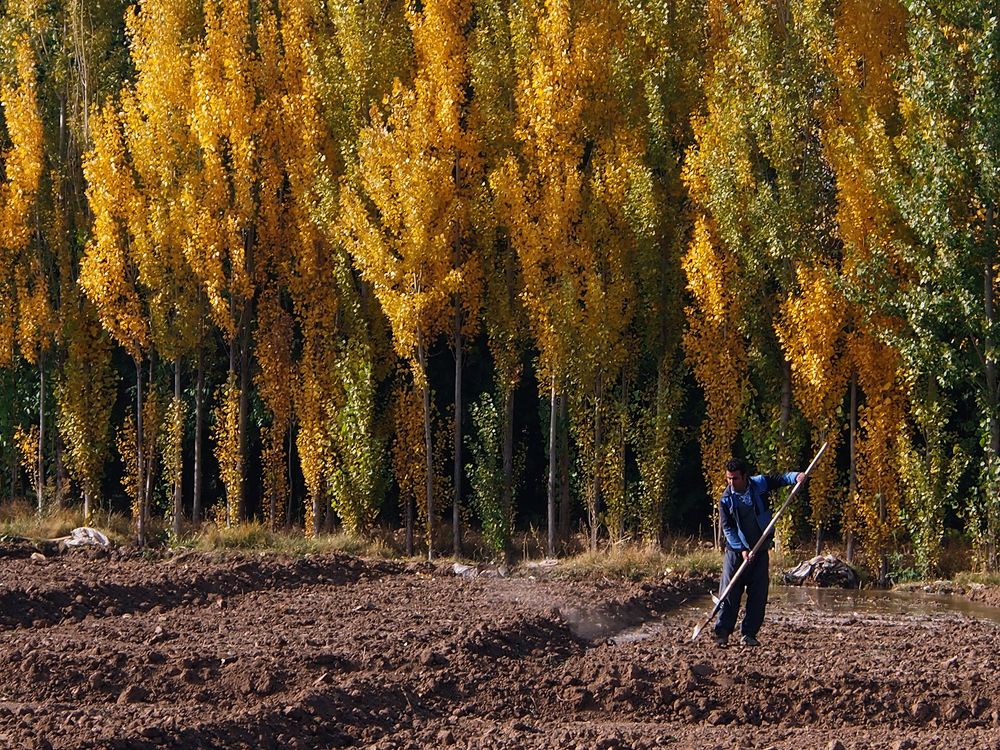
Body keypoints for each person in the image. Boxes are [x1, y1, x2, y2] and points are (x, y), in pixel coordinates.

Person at [713, 457, 805, 648]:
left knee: (758, 595)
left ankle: (749, 634)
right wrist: (742, 549)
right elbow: (728, 528)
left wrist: (796, 477)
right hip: (736, 552)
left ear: (745, 476)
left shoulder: (759, 484)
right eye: (728, 479)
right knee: (729, 593)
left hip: (760, 549)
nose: (731, 483)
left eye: (735, 478)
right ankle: (722, 633)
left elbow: (780, 479)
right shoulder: (726, 500)